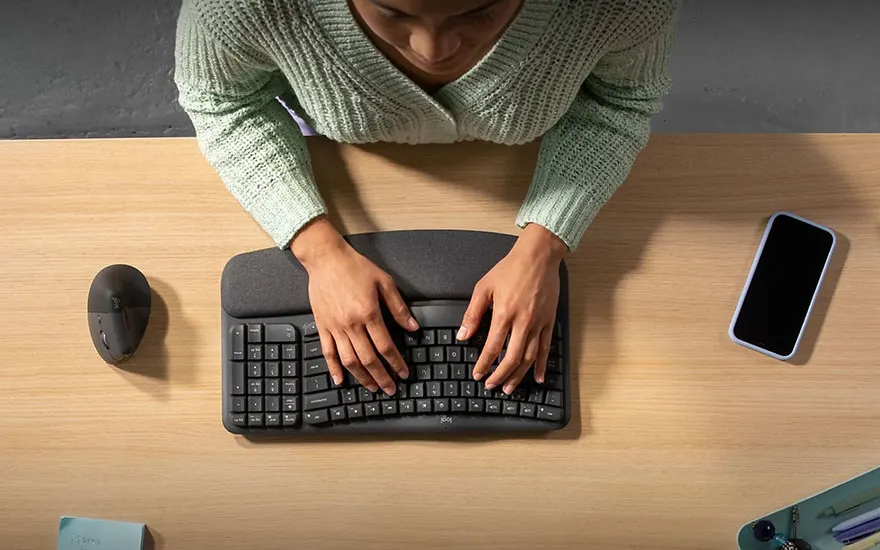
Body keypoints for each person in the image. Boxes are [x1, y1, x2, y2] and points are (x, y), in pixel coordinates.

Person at [175, 0, 679, 397]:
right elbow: (222, 101)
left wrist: (546, 244)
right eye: (393, 13)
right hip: (341, 154)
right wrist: (317, 249)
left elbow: (619, 102)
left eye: (479, 12)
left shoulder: (624, 6)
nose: (433, 50)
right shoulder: (236, 6)